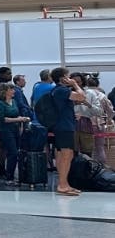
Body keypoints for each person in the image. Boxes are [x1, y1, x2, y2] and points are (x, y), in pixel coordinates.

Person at [49, 67, 87, 196]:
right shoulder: (62, 90)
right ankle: (62, 184)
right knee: (66, 154)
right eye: (68, 76)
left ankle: (64, 183)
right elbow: (81, 97)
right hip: (64, 127)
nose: (70, 79)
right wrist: (75, 84)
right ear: (63, 78)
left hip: (62, 125)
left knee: (63, 154)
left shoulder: (56, 90)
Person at [0, 82, 30, 185]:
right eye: (11, 89)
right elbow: (2, 119)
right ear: (5, 91)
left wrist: (21, 119)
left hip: (15, 129)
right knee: (12, 152)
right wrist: (18, 119)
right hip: (6, 130)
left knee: (16, 152)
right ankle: (9, 176)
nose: (14, 91)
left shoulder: (14, 102)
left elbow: (16, 113)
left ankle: (14, 175)